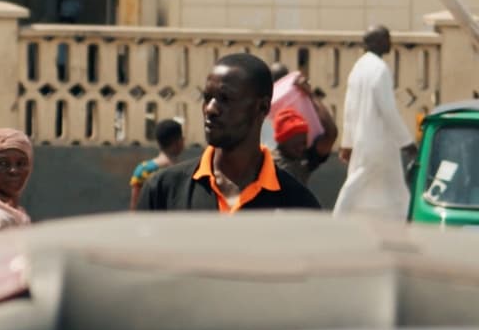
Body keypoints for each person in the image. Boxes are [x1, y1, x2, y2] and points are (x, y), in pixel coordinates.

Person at [136, 53, 321, 212]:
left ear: (262, 107)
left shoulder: (298, 205)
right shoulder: (163, 190)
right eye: (207, 97)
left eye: (225, 99)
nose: (210, 109)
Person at [334, 26, 415, 219]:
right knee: (357, 181)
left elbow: (349, 109)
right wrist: (406, 141)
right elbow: (387, 109)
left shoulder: (358, 68)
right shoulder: (379, 69)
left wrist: (348, 143)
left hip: (366, 139)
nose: (390, 43)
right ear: (377, 42)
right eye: (386, 39)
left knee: (395, 185)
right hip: (378, 141)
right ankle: (338, 217)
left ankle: (405, 218)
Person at [268, 63, 338, 186]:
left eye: (303, 143)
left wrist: (310, 95)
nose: (300, 147)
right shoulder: (264, 156)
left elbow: (331, 134)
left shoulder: (304, 157)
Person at [128, 119, 185, 210]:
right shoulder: (185, 172)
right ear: (179, 141)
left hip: (150, 223)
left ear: (158, 142)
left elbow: (135, 207)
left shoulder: (143, 170)